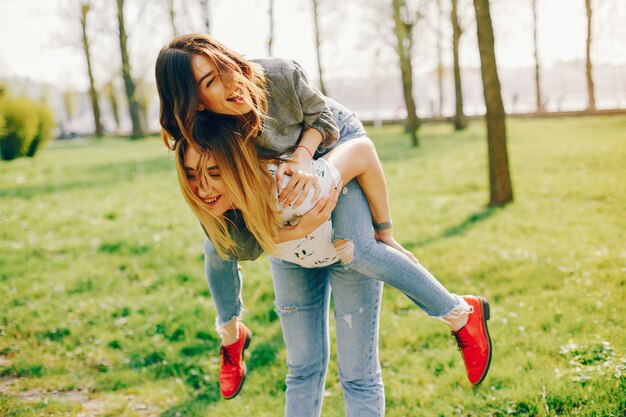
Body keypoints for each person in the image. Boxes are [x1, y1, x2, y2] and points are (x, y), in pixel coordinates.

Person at [155, 33, 492, 415]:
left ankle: (460, 314)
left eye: (224, 67)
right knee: (294, 358)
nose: (231, 81)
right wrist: (292, 232)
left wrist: (384, 231)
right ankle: (230, 335)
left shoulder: (278, 76)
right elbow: (230, 234)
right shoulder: (218, 139)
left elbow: (333, 128)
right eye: (211, 82)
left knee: (358, 251)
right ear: (197, 105)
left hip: (332, 142)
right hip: (292, 214)